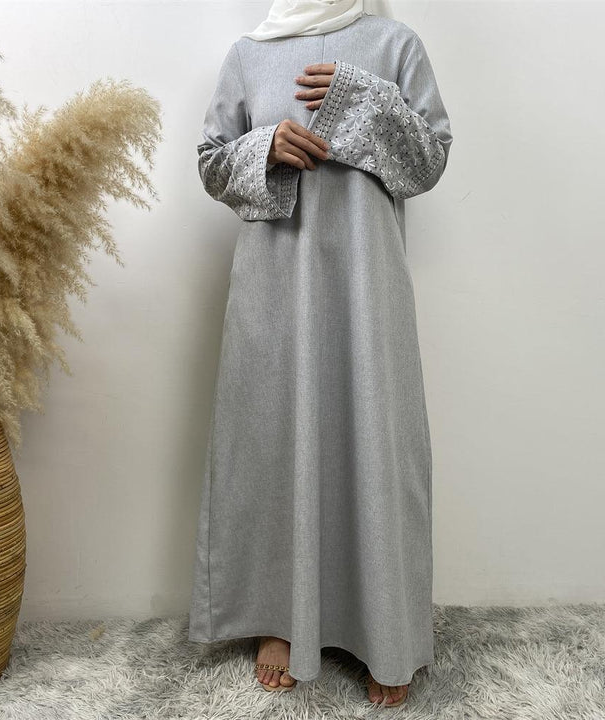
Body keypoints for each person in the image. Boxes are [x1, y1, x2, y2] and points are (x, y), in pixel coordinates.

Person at [188, 0, 453, 708]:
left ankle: (385, 629)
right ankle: (279, 619)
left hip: (366, 288)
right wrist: (265, 145)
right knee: (274, 440)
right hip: (274, 287)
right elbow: (211, 163)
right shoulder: (249, 52)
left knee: (375, 444)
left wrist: (364, 99)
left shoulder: (395, 44)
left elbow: (429, 160)